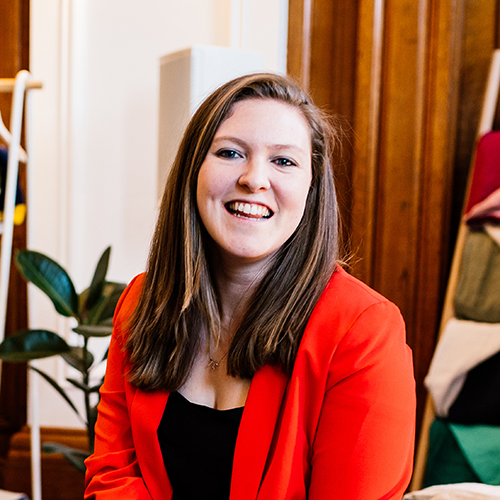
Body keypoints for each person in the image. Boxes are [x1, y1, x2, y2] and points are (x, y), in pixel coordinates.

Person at [84, 73, 416, 500]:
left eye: (284, 161)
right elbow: (114, 474)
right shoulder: (141, 303)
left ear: (312, 189)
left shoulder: (363, 332)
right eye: (229, 153)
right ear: (193, 172)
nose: (254, 179)